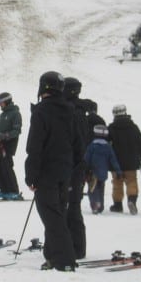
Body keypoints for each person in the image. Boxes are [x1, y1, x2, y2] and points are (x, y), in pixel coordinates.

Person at [25, 71, 80, 272]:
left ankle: (64, 259)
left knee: (52, 215)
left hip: (46, 171)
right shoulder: (70, 110)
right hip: (65, 171)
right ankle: (52, 255)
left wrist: (31, 174)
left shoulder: (42, 111)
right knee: (58, 213)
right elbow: (78, 144)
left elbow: (35, 145)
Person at [63, 77, 89, 259]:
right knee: (68, 207)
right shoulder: (75, 111)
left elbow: (79, 143)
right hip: (72, 166)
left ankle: (77, 248)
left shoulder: (75, 113)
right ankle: (69, 244)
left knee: (72, 207)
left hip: (74, 166)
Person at [108, 104, 141, 214]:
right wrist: (140, 157)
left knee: (117, 183)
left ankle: (117, 205)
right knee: (131, 182)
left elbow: (107, 145)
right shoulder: (133, 127)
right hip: (131, 162)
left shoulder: (111, 128)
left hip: (116, 163)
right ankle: (132, 200)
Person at [0, 92, 23, 200]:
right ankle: (4, 190)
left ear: (6, 101)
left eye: (0, 102)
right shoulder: (3, 114)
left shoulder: (15, 113)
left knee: (6, 167)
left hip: (8, 145)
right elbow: (0, 129)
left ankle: (13, 191)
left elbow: (16, 131)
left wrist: (4, 136)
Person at [84, 125, 121, 214]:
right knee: (101, 188)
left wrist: (84, 169)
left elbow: (86, 159)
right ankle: (101, 205)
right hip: (103, 173)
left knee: (92, 189)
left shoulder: (92, 146)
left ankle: (95, 204)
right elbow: (113, 160)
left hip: (93, 172)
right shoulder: (108, 147)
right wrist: (118, 171)